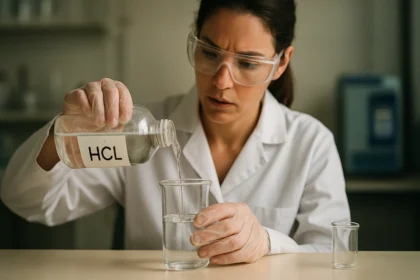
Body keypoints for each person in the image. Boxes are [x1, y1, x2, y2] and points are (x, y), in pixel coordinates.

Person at [0, 0, 350, 265]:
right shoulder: (136, 133)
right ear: (195, 41)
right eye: (210, 53)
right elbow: (27, 201)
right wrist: (63, 135)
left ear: (281, 63)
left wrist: (267, 242)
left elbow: (335, 255)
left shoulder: (310, 143)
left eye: (247, 63)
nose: (221, 82)